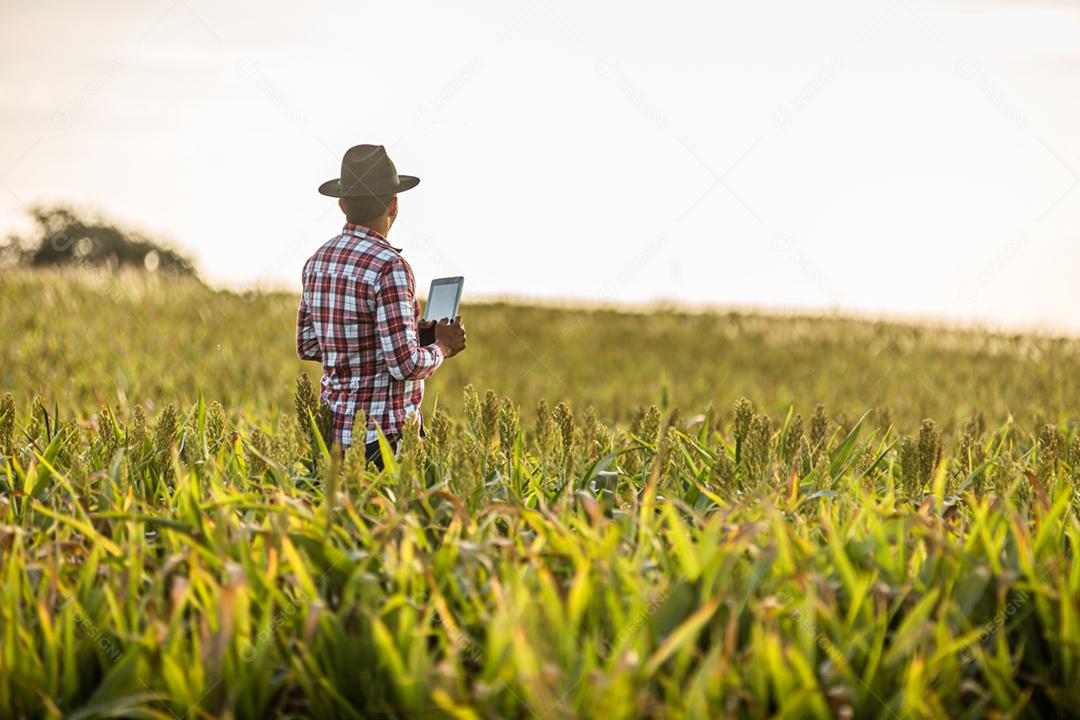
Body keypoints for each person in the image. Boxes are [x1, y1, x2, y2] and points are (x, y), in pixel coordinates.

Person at [296, 144, 467, 466]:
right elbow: (405, 366)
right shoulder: (389, 266)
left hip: (331, 436)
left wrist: (405, 332)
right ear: (394, 204)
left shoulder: (316, 262)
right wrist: (442, 345)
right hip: (384, 440)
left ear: (342, 204)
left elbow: (309, 346)